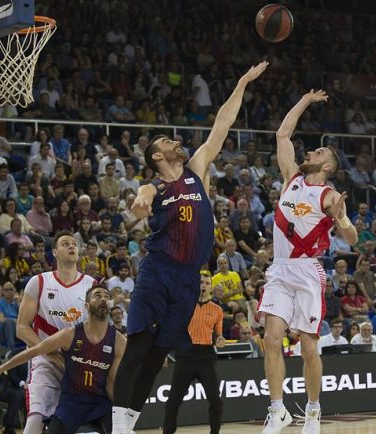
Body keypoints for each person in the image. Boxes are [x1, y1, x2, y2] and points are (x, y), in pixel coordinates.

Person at [111, 62, 267, 434]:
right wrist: (142, 196)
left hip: (187, 278)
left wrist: (242, 81)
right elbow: (146, 191)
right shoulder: (156, 187)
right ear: (157, 158)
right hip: (160, 269)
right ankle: (117, 427)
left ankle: (128, 424)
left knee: (157, 356)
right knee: (138, 347)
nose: (174, 141)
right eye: (166, 142)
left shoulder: (197, 169)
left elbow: (222, 125)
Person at [258, 90, 358, 434]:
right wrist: (304, 101)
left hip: (307, 272)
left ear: (327, 166)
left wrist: (342, 219)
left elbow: (352, 240)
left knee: (308, 347)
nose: (309, 152)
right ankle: (277, 409)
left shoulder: (328, 195)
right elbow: (282, 134)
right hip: (279, 269)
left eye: (317, 151)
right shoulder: (291, 178)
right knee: (271, 339)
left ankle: (313, 411)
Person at [0, 285, 125, 434]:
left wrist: (124, 412)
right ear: (87, 306)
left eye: (107, 296)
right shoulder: (70, 334)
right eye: (98, 295)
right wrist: (1, 368)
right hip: (71, 403)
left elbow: (111, 384)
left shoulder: (119, 342)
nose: (103, 299)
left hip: (100, 405)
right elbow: (34, 351)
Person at [16, 231, 96, 434]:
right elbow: (22, 328)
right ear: (55, 253)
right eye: (65, 244)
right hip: (44, 360)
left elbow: (98, 329)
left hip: (79, 361)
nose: (71, 246)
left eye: (74, 244)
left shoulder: (91, 285)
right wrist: (51, 353)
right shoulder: (39, 281)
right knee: (36, 414)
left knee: (78, 420)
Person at [163, 272, 226, 434]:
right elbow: (172, 330)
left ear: (211, 287)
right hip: (185, 355)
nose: (203, 285)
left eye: (207, 283)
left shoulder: (217, 310)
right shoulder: (183, 305)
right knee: (173, 401)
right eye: (201, 282)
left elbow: (218, 334)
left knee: (215, 400)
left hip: (206, 356)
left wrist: (219, 339)